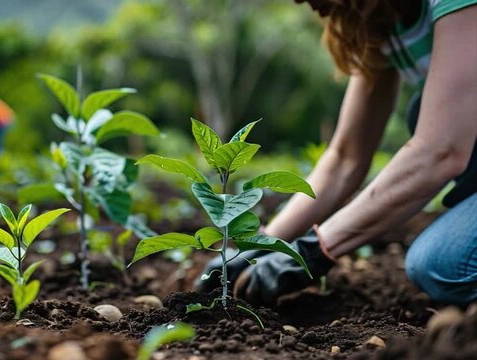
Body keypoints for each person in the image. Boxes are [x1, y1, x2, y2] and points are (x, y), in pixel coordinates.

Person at [197, 0, 477, 306]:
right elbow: (346, 158)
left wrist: (316, 249)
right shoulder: (380, 22)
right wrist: (264, 244)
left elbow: (441, 149)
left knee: (444, 267)